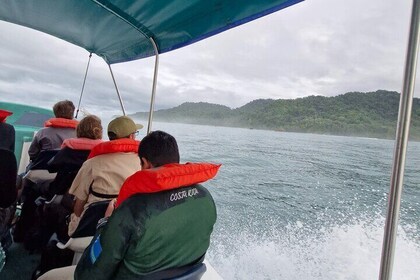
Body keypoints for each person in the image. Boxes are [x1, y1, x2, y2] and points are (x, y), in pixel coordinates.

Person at [38, 130, 220, 280]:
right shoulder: (205, 198)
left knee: (46, 278)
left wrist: (106, 222)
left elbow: (89, 275)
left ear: (145, 163)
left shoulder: (134, 209)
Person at [67, 116, 142, 236]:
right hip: (126, 231)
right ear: (132, 136)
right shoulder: (142, 163)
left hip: (90, 229)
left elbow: (78, 208)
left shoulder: (91, 163)